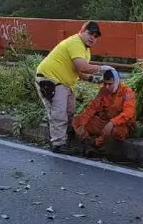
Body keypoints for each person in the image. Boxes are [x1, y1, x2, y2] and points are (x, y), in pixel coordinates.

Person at [35, 21, 110, 154]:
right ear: (82, 31)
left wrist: (94, 79)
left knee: (70, 110)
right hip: (50, 79)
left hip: (62, 82)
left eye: (96, 36)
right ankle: (58, 144)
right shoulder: (76, 43)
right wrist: (102, 68)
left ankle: (66, 137)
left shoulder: (85, 50)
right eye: (90, 33)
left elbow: (80, 73)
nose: (92, 37)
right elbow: (82, 67)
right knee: (59, 113)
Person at [72, 68, 136, 154]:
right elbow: (91, 109)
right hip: (105, 123)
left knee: (115, 131)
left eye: (110, 84)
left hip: (122, 125)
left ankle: (96, 144)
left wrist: (112, 122)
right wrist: (81, 124)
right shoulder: (103, 91)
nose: (107, 87)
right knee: (77, 120)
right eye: (105, 84)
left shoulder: (127, 92)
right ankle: (87, 142)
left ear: (117, 81)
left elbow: (128, 113)